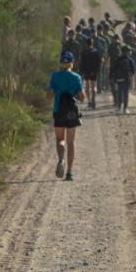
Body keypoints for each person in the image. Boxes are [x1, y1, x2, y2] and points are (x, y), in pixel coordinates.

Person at [48, 51, 85, 181]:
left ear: (61, 63)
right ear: (71, 63)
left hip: (58, 110)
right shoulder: (76, 77)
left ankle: (61, 159)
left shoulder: (55, 77)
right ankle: (69, 172)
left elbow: (49, 95)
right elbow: (82, 98)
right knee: (71, 141)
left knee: (60, 140)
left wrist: (57, 90)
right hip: (72, 113)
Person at [110, 45, 136, 114]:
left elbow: (113, 69)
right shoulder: (129, 60)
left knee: (119, 93)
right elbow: (133, 70)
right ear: (127, 52)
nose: (130, 52)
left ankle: (119, 108)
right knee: (126, 94)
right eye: (129, 51)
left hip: (119, 79)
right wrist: (130, 76)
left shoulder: (117, 59)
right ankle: (125, 108)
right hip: (127, 79)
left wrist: (111, 77)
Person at [79, 38, 102, 109]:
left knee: (87, 87)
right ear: (92, 43)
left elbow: (82, 63)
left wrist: (81, 71)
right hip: (94, 71)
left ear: (86, 44)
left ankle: (89, 102)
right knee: (93, 86)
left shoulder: (84, 52)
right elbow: (99, 62)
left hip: (86, 71)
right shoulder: (96, 52)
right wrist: (97, 70)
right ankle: (93, 99)